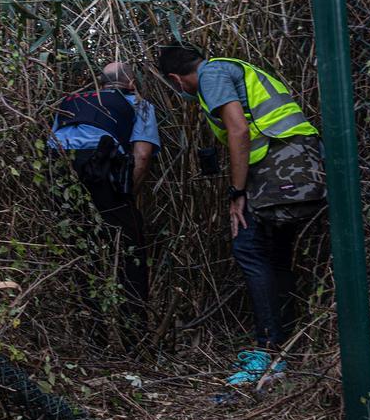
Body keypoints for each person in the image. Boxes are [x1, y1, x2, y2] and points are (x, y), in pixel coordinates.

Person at [157, 43, 327, 385]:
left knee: (248, 247)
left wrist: (236, 193)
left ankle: (268, 352)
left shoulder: (212, 75)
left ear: (176, 79)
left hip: (281, 168)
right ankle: (283, 347)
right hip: (302, 163)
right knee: (274, 254)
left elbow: (239, 130)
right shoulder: (232, 69)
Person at [49, 62, 160, 350]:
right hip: (101, 172)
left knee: (81, 251)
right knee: (131, 250)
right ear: (131, 83)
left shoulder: (69, 100)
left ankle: (90, 337)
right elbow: (143, 157)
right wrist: (126, 195)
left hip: (60, 175)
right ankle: (134, 337)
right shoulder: (139, 105)